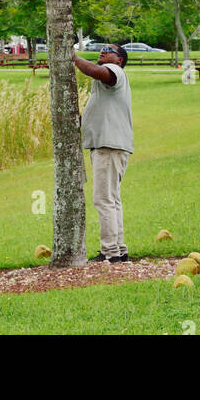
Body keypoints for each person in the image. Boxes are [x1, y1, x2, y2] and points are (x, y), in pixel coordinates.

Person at [73, 43, 133, 263]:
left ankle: (111, 253)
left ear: (119, 60)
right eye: (102, 48)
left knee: (103, 200)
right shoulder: (104, 85)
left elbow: (95, 71)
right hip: (110, 145)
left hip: (109, 146)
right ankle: (119, 249)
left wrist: (72, 57)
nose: (103, 51)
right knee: (112, 199)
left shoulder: (114, 72)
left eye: (110, 51)